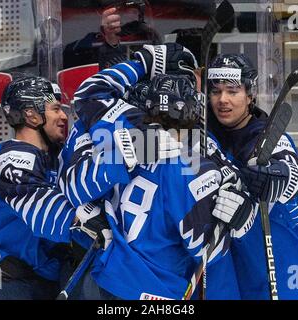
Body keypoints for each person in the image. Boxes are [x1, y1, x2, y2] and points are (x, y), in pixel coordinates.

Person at [65, 72, 256, 300]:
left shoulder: (121, 147)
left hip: (109, 278)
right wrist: (231, 225)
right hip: (156, 290)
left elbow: (82, 187)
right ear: (192, 112)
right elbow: (203, 250)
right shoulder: (192, 168)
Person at [0, 76, 109, 300]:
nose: (63, 116)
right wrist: (82, 218)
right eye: (55, 109)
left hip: (48, 276)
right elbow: (36, 202)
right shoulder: (8, 156)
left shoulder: (56, 158)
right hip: (8, 281)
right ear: (31, 115)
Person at [206, 53, 298, 300]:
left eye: (232, 91)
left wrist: (285, 180)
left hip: (282, 279)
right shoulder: (208, 138)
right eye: (215, 91)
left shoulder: (269, 140)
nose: (222, 100)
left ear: (250, 95)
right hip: (235, 278)